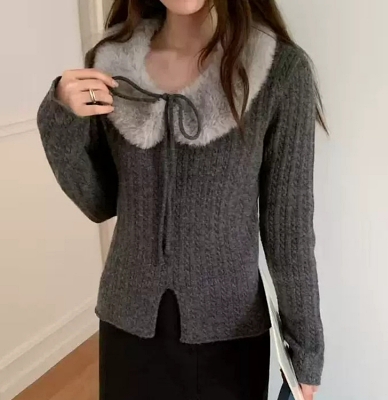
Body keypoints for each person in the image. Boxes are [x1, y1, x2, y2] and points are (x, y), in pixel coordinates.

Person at [37, 0, 325, 399]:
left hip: (231, 339)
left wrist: (305, 349)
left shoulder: (281, 71)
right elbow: (99, 201)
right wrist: (58, 116)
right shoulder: (110, 67)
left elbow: (288, 232)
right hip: (128, 329)